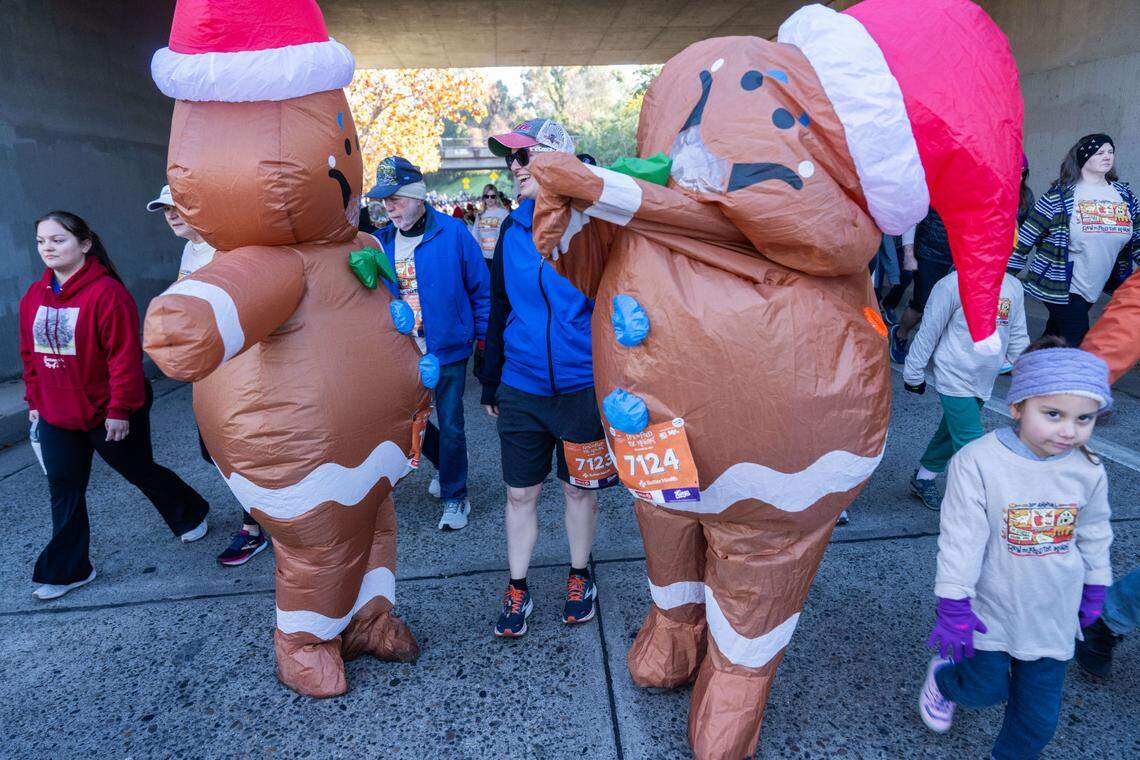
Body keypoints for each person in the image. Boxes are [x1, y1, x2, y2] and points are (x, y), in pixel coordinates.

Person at [918, 339, 1113, 758]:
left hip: (1054, 615)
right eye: (1054, 414)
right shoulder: (978, 462)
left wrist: (1096, 586)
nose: (1069, 430)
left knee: (1038, 720)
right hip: (992, 609)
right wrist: (953, 603)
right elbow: (961, 538)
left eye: (1085, 418)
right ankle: (946, 679)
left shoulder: (1088, 469)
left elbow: (1095, 531)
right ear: (1017, 407)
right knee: (984, 689)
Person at [21, 211, 210, 600]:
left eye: (58, 240)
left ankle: (190, 511)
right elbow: (30, 355)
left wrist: (120, 410)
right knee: (64, 487)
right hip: (58, 414)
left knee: (138, 469)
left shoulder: (107, 293)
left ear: (85, 244)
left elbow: (123, 359)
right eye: (42, 241)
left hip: (110, 411)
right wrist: (34, 401)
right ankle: (70, 570)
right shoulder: (33, 297)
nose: (48, 248)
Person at [479, 118, 617, 637]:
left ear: (558, 160)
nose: (513, 167)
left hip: (582, 387)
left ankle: (580, 576)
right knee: (520, 494)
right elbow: (499, 307)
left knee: (580, 491)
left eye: (524, 156)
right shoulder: (513, 230)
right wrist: (490, 380)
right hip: (523, 387)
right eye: (509, 159)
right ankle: (518, 586)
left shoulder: (596, 225)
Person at [366, 156, 491, 531]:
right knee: (401, 423)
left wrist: (483, 346)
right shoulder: (378, 242)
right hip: (401, 353)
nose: (389, 207)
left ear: (418, 197)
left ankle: (456, 497)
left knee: (451, 424)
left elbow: (481, 291)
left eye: (396, 199)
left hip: (447, 349)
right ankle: (449, 460)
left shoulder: (453, 234)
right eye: (384, 200)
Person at [147, 185, 267, 566]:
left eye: (178, 206)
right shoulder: (191, 248)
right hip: (209, 370)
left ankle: (255, 527)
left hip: (241, 370)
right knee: (212, 451)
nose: (170, 214)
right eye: (164, 208)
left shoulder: (228, 249)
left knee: (240, 449)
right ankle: (266, 515)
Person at [903, 269, 1029, 509]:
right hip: (954, 374)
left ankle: (924, 478)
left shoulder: (1013, 286)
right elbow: (929, 330)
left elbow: (1017, 334)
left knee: (951, 432)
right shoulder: (951, 284)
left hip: (985, 376)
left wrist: (1029, 374)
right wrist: (913, 372)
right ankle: (991, 504)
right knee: (972, 442)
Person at [1009, 134, 1140, 347]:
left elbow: (1137, 238)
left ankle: (1029, 365)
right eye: (1100, 152)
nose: (1107, 156)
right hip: (1060, 282)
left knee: (1056, 334)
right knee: (1078, 339)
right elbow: (1025, 238)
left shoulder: (1124, 196)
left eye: (1110, 151)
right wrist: (1004, 276)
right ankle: (1076, 380)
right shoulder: (1059, 196)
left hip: (1095, 283)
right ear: (1083, 157)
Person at [888, 208, 954, 363]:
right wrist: (909, 254)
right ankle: (901, 333)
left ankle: (935, 346)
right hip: (930, 254)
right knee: (921, 305)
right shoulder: (933, 184)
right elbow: (912, 215)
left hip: (960, 257)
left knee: (951, 308)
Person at [471, 183, 509, 270]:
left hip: (500, 255)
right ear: (483, 198)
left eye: (492, 196)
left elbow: (508, 235)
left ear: (496, 197)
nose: (489, 199)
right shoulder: (480, 215)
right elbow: (475, 235)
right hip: (484, 257)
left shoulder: (504, 213)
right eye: (486, 196)